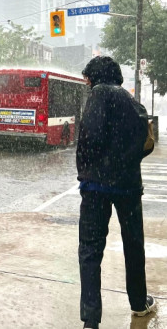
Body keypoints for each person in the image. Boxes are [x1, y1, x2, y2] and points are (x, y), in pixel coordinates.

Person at [76, 56, 157, 329]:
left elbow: (91, 137)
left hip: (96, 187)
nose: (87, 83)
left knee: (90, 249)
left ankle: (91, 320)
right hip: (128, 187)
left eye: (88, 78)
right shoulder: (135, 104)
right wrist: (126, 161)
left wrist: (87, 171)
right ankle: (138, 303)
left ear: (96, 77)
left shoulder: (98, 95)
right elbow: (147, 144)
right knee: (133, 244)